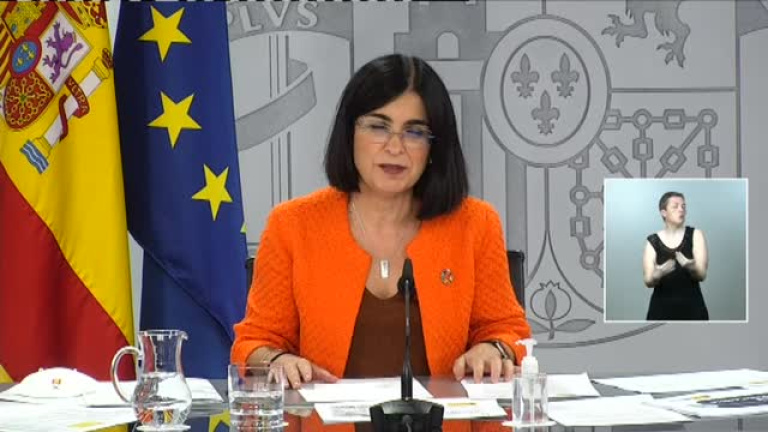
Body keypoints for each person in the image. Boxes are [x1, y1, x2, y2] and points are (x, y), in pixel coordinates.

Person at [231, 54, 531, 390]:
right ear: (349, 133)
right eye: (378, 127)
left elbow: (508, 331)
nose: (395, 147)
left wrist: (493, 349)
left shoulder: (475, 224)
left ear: (434, 147)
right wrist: (276, 360)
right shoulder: (292, 225)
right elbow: (254, 343)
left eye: (414, 132)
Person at [643, 191, 709, 320]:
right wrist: (659, 273)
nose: (681, 209)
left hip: (693, 309)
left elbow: (702, 275)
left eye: (683, 206)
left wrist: (690, 266)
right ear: (664, 212)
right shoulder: (652, 241)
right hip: (660, 310)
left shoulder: (696, 234)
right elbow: (648, 281)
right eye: (675, 206)